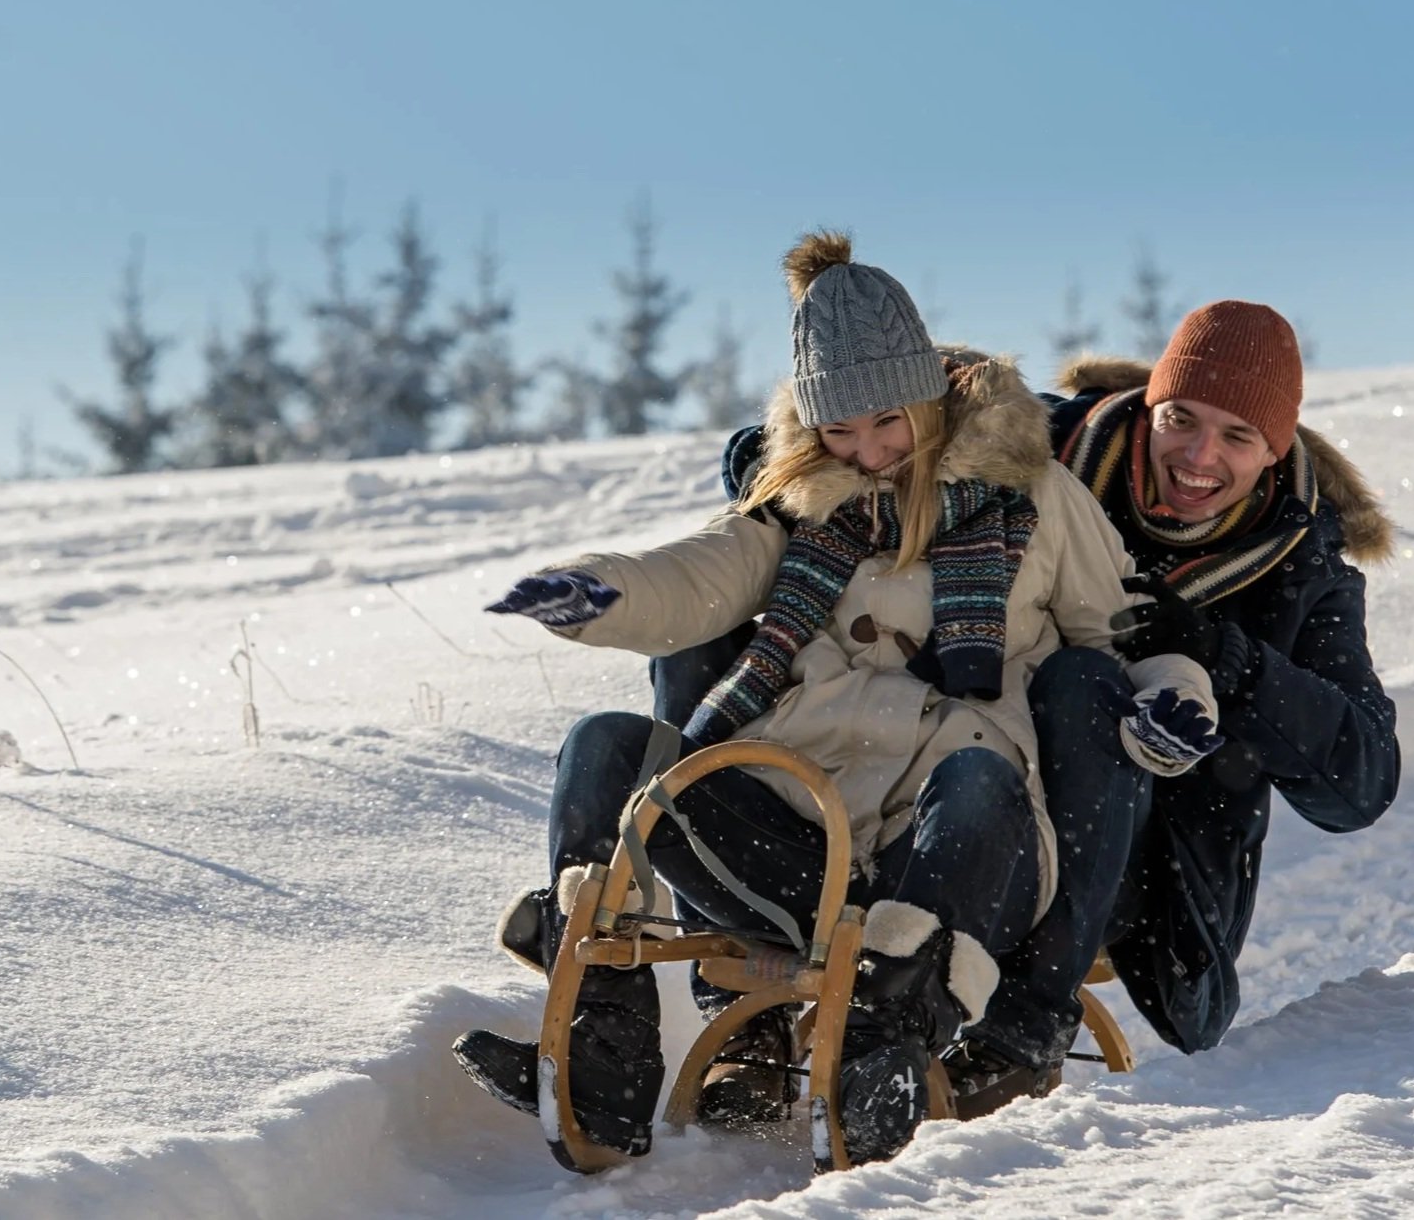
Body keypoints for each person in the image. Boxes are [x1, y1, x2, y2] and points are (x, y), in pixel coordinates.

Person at [451, 232, 1218, 1166]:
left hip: (955, 849)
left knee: (979, 775)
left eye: (885, 423)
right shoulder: (797, 500)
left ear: (928, 397)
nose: (864, 452)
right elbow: (701, 572)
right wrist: (596, 589)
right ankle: (602, 1046)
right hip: (798, 834)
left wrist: (1176, 695)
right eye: (837, 431)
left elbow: (1126, 636)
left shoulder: (1035, 496)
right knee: (607, 745)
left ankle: (880, 1048)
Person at [676, 298, 1400, 1117]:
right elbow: (811, 435)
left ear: (1274, 451)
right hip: (929, 774)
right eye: (1180, 418)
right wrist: (799, 493)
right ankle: (748, 1009)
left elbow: (1361, 781)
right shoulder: (1044, 443)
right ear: (1147, 407)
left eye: (1237, 437)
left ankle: (1025, 1024)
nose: (1198, 456)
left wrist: (1225, 658)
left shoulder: (1302, 568)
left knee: (1084, 681)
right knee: (719, 620)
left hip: (1118, 845)